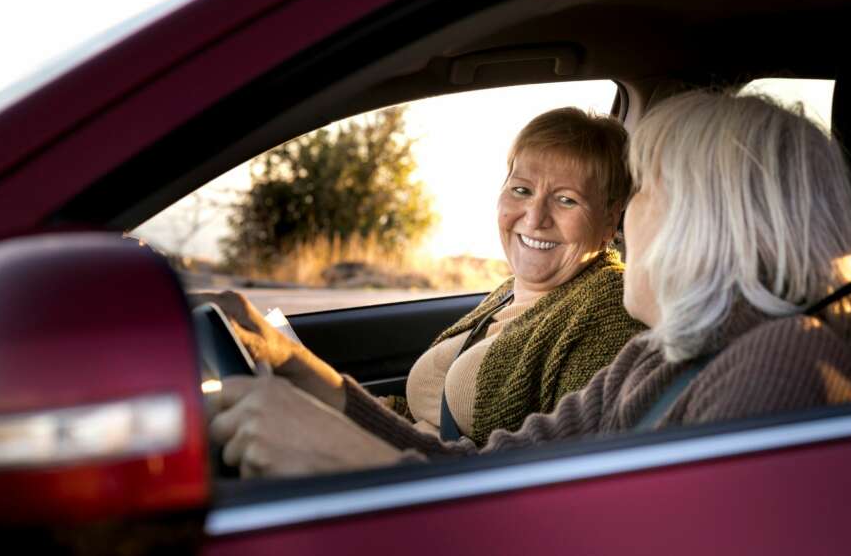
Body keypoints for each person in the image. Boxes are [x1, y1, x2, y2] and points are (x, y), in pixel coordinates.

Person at [210, 90, 851, 476]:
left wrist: (353, 466)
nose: (624, 223)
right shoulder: (661, 357)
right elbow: (491, 473)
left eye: (643, 193)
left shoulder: (786, 368)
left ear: (710, 222)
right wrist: (298, 369)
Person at [195, 106, 645, 466]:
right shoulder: (508, 291)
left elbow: (540, 477)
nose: (534, 217)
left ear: (610, 218)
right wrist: (289, 359)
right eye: (522, 190)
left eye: (566, 199)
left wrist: (340, 454)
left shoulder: (606, 309)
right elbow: (412, 423)